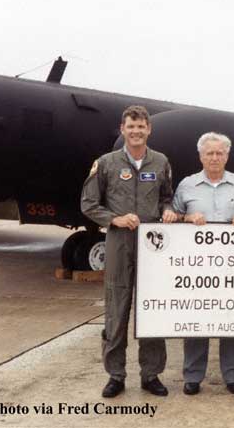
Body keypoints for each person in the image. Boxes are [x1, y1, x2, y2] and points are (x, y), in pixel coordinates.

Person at [81, 105, 178, 398]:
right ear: (122, 129)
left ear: (149, 129)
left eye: (141, 127)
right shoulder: (106, 163)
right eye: (131, 126)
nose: (136, 131)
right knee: (116, 309)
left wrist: (169, 210)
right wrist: (115, 219)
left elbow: (167, 197)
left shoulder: (160, 161)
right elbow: (88, 203)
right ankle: (116, 375)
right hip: (119, 242)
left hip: (153, 247)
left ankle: (151, 374)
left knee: (152, 309)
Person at [172, 132, 234, 396]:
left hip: (233, 265)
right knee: (197, 319)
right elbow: (173, 215)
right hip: (197, 266)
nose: (215, 158)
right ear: (201, 156)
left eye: (220, 153)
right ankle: (193, 376)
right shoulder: (187, 184)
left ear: (227, 156)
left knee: (232, 318)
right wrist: (187, 218)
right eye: (210, 153)